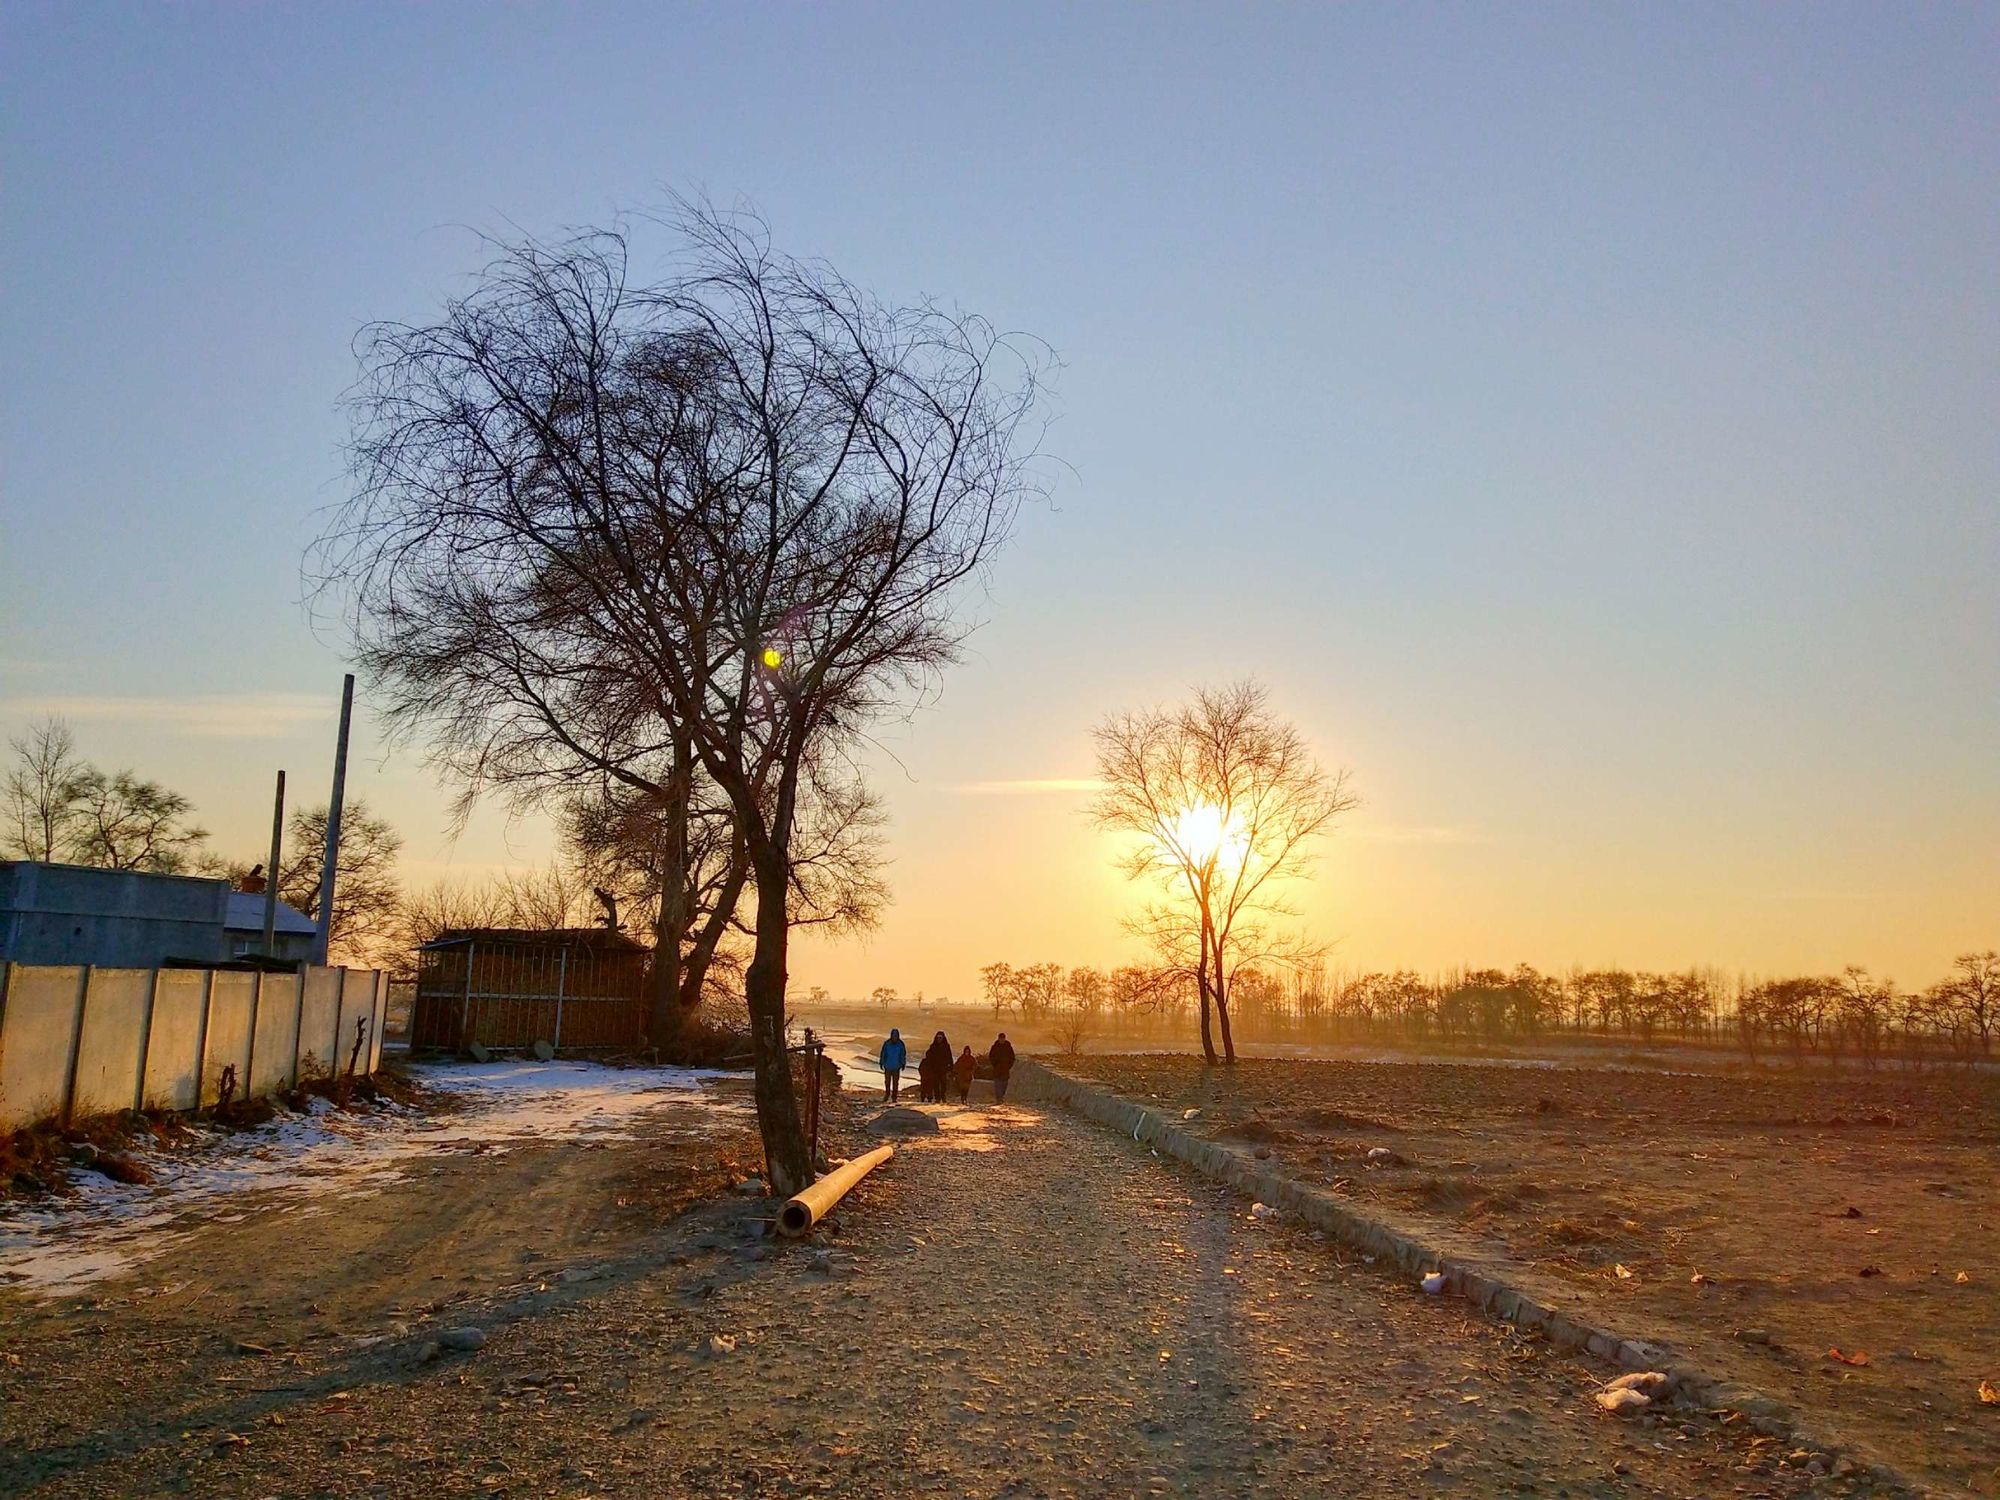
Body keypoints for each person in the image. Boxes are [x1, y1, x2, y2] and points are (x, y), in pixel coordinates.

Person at [919, 1030, 953, 1104]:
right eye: (938, 1037)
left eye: (940, 1037)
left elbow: (950, 1057)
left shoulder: (946, 1047)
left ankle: (943, 1097)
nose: (939, 1039)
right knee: (936, 1085)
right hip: (935, 1069)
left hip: (944, 1069)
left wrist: (950, 1068)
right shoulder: (933, 1047)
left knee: (944, 1085)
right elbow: (929, 1057)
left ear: (943, 1038)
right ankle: (937, 1098)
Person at [878, 1027, 907, 1103]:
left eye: (896, 1036)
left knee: (895, 1083)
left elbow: (903, 1055)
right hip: (887, 1066)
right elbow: (883, 1053)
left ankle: (894, 1097)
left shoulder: (901, 1044)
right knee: (887, 1082)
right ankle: (887, 1095)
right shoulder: (887, 1043)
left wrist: (903, 1063)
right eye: (893, 1036)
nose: (895, 1037)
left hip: (896, 1067)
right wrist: (881, 1062)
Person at [988, 1031, 1017, 1102]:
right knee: (997, 1085)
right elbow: (991, 1056)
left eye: (1003, 1039)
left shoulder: (1008, 1047)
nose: (1002, 1040)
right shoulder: (995, 1047)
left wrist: (1009, 1065)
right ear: (998, 1039)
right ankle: (999, 1099)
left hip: (1005, 1069)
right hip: (997, 1069)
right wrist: (994, 1064)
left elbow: (1012, 1057)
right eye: (1000, 1039)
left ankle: (1002, 1097)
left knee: (1004, 1084)